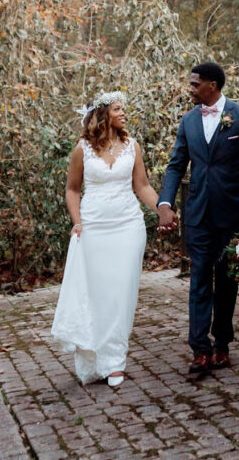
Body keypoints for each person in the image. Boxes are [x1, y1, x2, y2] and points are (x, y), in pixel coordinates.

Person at [157, 62, 239, 377]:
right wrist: (164, 202)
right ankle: (200, 350)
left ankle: (222, 343)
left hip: (233, 214)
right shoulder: (188, 122)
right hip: (198, 216)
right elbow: (176, 165)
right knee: (199, 280)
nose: (190, 89)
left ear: (213, 85)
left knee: (226, 282)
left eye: (195, 84)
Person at [51, 91, 159, 386]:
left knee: (121, 294)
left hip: (128, 226)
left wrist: (163, 209)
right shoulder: (82, 149)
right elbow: (72, 189)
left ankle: (114, 363)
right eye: (117, 108)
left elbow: (143, 186)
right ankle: (95, 357)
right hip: (94, 228)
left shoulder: (132, 146)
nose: (124, 113)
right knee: (98, 296)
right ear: (102, 115)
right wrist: (77, 222)